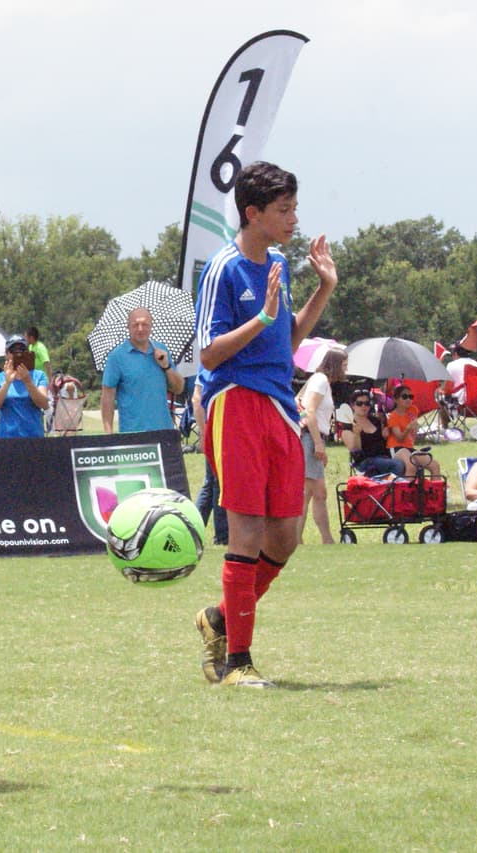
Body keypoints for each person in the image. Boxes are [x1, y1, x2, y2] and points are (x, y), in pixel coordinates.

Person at [191, 161, 338, 688]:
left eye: (294, 207)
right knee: (247, 529)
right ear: (253, 213)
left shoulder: (278, 262)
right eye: (284, 209)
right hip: (236, 403)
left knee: (286, 537)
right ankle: (238, 662)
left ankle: (219, 620)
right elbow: (208, 355)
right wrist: (261, 316)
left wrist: (323, 289)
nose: (294, 218)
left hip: (279, 404)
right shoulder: (225, 268)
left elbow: (287, 340)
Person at [100, 307, 183, 434]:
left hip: (164, 431)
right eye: (135, 325)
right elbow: (107, 396)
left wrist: (166, 366)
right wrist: (108, 433)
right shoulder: (116, 357)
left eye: (144, 324)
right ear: (128, 327)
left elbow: (178, 388)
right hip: (132, 434)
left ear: (151, 326)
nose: (140, 329)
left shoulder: (161, 351)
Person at [297, 350, 347, 545]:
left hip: (313, 437)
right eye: (344, 365)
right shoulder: (320, 381)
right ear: (335, 364)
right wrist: (318, 444)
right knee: (311, 492)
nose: (346, 369)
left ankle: (322, 539)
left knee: (314, 492)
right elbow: (309, 410)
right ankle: (318, 539)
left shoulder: (320, 381)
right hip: (309, 438)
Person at [191, 375, 228, 546]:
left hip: (220, 430)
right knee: (218, 484)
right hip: (215, 431)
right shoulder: (210, 369)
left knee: (212, 483)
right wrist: (205, 435)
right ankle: (222, 535)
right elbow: (196, 400)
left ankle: (191, 530)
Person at [0, 335, 49, 438]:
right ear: (6, 354)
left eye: (22, 350)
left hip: (33, 437)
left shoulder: (39, 376)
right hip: (6, 437)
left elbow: (44, 404)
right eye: (13, 351)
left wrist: (28, 382)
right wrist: (7, 383)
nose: (18, 353)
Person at [341, 392, 406, 477]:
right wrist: (357, 435)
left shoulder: (375, 421)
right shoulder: (349, 425)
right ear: (353, 405)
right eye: (359, 403)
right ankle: (389, 486)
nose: (364, 406)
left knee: (410, 462)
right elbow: (355, 450)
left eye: (367, 403)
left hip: (384, 457)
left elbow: (385, 441)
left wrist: (385, 435)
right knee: (398, 464)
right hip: (365, 462)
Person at [385, 385, 441, 477]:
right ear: (395, 399)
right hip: (397, 448)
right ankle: (407, 490)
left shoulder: (413, 409)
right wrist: (408, 428)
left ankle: (435, 490)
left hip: (410, 448)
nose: (408, 399)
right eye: (404, 397)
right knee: (411, 466)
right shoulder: (393, 416)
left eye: (411, 397)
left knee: (434, 465)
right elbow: (399, 438)